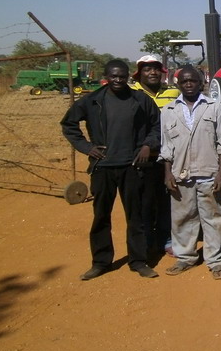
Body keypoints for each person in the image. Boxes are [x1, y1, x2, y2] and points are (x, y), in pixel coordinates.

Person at [61, 59, 161, 280]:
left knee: (135, 217)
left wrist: (147, 145)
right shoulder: (92, 100)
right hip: (103, 167)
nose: (118, 80)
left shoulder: (140, 99)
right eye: (113, 76)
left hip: (132, 166)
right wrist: (87, 147)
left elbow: (157, 125)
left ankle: (138, 261)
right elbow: (68, 124)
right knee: (101, 216)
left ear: (128, 76)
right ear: (106, 76)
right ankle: (101, 262)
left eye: (122, 76)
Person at [160, 66, 221, 280]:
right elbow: (166, 146)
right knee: (182, 218)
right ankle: (185, 257)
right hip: (180, 174)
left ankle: (216, 262)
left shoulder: (214, 107)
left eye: (193, 81)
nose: (189, 84)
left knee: (214, 219)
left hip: (209, 173)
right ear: (178, 84)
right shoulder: (169, 110)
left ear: (201, 83)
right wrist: (167, 173)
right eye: (184, 81)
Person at [130, 55, 181, 257]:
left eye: (156, 69)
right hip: (143, 158)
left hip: (169, 157)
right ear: (139, 74)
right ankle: (147, 241)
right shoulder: (131, 94)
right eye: (147, 69)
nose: (152, 72)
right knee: (144, 202)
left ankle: (166, 239)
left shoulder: (173, 93)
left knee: (167, 200)